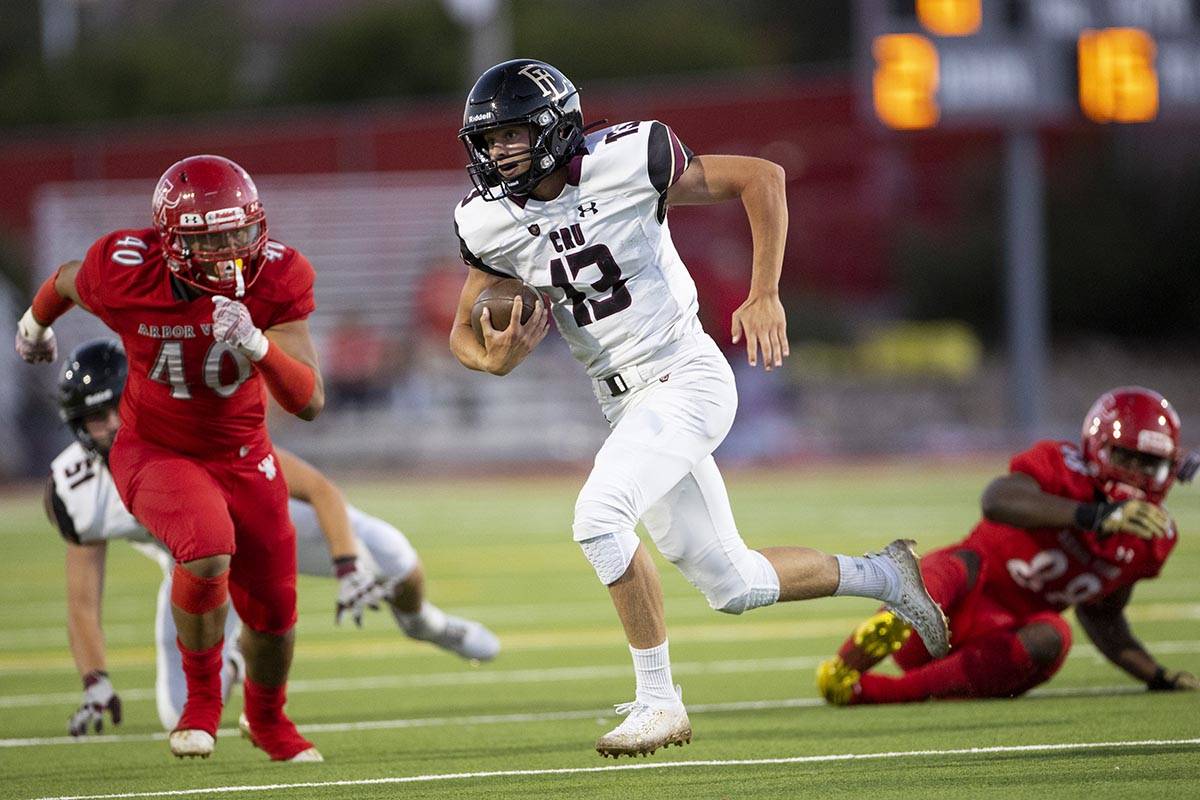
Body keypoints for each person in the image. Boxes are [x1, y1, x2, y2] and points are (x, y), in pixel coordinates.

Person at [447, 58, 950, 758]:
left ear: (556, 130)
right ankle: (887, 574)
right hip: (623, 404)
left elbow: (761, 178)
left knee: (598, 517)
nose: (497, 154)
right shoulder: (487, 220)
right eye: (488, 141)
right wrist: (491, 358)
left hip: (685, 376)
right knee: (734, 583)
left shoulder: (631, 157)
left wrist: (765, 290)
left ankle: (659, 703)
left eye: (510, 136)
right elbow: (463, 329)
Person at [16, 155, 326, 761]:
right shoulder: (126, 269)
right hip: (157, 447)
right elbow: (65, 280)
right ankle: (202, 703)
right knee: (207, 545)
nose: (233, 248)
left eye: (241, 230)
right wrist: (32, 326)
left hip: (243, 453)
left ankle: (267, 720)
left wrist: (258, 345)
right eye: (213, 237)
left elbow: (309, 400)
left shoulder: (278, 276)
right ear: (173, 242)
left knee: (274, 609)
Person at [48, 340, 501, 738]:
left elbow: (319, 490)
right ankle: (240, 660)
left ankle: (427, 625)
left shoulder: (188, 428)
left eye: (115, 408)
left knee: (394, 556)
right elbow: (82, 601)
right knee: (176, 715)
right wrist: (96, 680)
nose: (108, 425)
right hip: (200, 574)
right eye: (94, 416)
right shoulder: (77, 492)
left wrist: (349, 566)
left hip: (272, 525)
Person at [816, 386, 1199, 705]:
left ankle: (879, 693)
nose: (1136, 473)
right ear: (1097, 448)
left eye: (1149, 463)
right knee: (963, 562)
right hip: (946, 604)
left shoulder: (1150, 540)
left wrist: (1157, 674)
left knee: (1055, 636)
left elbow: (1102, 615)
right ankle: (850, 659)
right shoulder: (1063, 467)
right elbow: (998, 500)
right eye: (1126, 457)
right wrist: (1094, 516)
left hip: (1002, 645)